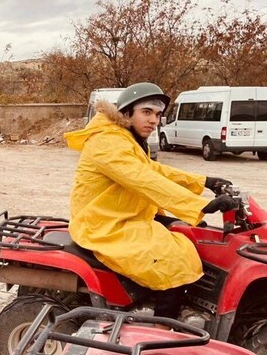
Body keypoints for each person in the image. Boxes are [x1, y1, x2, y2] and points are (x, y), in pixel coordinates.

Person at [64, 82, 238, 318]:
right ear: (126, 113)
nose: (154, 120)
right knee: (176, 261)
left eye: (157, 114)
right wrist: (199, 204)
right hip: (104, 224)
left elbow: (153, 170)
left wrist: (205, 181)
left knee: (195, 232)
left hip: (125, 214)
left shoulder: (126, 138)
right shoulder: (107, 142)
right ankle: (163, 327)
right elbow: (142, 179)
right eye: (146, 112)